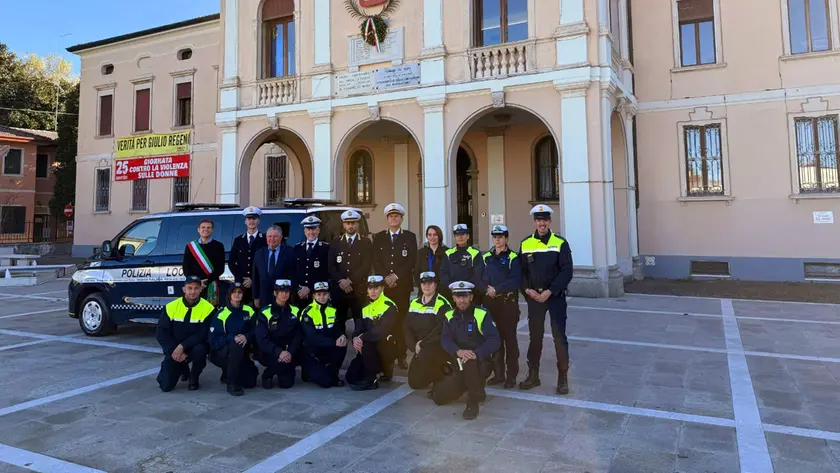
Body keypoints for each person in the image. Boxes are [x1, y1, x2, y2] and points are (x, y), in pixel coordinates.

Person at [519, 204, 574, 394]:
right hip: (534, 297)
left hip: (555, 297)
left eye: (544, 220)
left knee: (559, 336)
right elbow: (521, 272)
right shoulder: (526, 243)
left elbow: (566, 271)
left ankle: (563, 378)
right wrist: (527, 290)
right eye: (538, 220)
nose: (541, 223)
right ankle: (533, 375)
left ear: (549, 221)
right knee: (535, 337)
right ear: (534, 222)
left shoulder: (560, 243)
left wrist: (550, 291)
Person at [432, 281, 500, 420]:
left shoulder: (481, 314)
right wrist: (458, 351)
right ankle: (476, 389)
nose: (462, 300)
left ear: (471, 297)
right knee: (438, 397)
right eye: (458, 297)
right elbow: (445, 339)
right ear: (453, 298)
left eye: (465, 296)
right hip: (458, 361)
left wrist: (476, 354)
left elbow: (494, 340)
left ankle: (472, 402)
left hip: (479, 361)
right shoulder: (449, 315)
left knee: (469, 362)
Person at [372, 203, 417, 369]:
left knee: (401, 321)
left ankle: (401, 355)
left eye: (396, 216)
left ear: (401, 219)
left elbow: (412, 260)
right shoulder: (379, 237)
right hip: (385, 287)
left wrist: (396, 276)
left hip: (402, 286)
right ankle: (388, 355)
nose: (393, 218)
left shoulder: (409, 237)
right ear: (387, 219)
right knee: (386, 322)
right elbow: (376, 259)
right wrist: (386, 277)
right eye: (391, 216)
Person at [477, 224, 522, 389]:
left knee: (510, 341)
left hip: (506, 304)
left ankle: (511, 375)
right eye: (495, 237)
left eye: (500, 237)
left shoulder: (513, 258)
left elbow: (515, 280)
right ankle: (498, 374)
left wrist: (497, 289)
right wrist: (485, 289)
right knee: (494, 340)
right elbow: (477, 277)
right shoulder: (486, 257)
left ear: (506, 238)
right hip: (490, 304)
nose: (497, 239)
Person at [155, 275, 216, 392]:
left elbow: (202, 334)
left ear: (200, 289)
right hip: (174, 349)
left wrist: (182, 346)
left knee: (201, 349)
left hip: (194, 347)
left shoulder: (208, 308)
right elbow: (161, 333)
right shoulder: (171, 307)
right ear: (184, 289)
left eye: (196, 288)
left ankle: (194, 378)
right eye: (189, 288)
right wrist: (172, 350)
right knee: (165, 386)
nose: (193, 291)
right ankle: (183, 368)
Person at [345, 275, 397, 391]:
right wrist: (355, 338)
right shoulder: (365, 307)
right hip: (367, 349)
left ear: (382, 288)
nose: (373, 291)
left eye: (376, 288)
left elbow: (381, 332)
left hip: (384, 348)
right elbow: (358, 327)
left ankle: (372, 379)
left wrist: (362, 338)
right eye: (370, 288)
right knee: (351, 377)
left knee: (368, 344)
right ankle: (374, 371)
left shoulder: (389, 306)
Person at [208, 282, 258, 396]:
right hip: (223, 352)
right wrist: (232, 337)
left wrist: (246, 336)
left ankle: (229, 373)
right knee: (236, 344)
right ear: (229, 294)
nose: (237, 294)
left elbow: (256, 331)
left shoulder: (249, 311)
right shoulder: (221, 314)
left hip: (243, 352)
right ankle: (232, 384)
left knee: (250, 383)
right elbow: (214, 341)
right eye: (234, 292)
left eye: (240, 292)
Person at [404, 271, 452, 392]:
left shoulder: (443, 304)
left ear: (435, 285)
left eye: (430, 283)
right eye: (424, 283)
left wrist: (422, 344)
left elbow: (440, 330)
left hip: (435, 345)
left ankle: (441, 377)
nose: (427, 286)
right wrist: (413, 345)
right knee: (414, 383)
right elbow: (407, 326)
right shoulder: (414, 302)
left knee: (428, 356)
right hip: (419, 347)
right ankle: (431, 373)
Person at [328, 209, 372, 331]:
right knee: (339, 320)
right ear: (343, 225)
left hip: (357, 289)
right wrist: (341, 281)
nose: (350, 226)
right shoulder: (336, 242)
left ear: (357, 224)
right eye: (348, 223)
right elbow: (331, 266)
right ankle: (340, 342)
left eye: (353, 223)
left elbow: (366, 265)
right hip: (340, 288)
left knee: (359, 320)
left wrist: (350, 281)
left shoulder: (365, 242)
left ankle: (358, 342)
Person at [254, 279, 302, 389]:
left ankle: (282, 368)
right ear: (275, 293)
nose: (284, 294)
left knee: (286, 384)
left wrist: (289, 352)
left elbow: (298, 335)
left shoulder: (295, 311)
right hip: (271, 352)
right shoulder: (265, 312)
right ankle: (267, 374)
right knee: (279, 365)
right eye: (281, 291)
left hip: (289, 353)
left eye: (287, 292)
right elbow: (262, 338)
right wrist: (279, 352)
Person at [299, 281, 347, 388]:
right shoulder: (307, 312)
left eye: (324, 294)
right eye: (319, 294)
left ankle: (333, 373)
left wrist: (342, 335)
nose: (322, 297)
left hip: (328, 348)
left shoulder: (333, 310)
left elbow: (338, 328)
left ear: (328, 295)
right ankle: (309, 371)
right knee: (326, 383)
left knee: (342, 344)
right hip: (313, 352)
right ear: (314, 296)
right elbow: (312, 337)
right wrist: (334, 342)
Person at [228, 206, 267, 306]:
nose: (251, 221)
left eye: (254, 218)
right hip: (241, 286)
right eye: (249, 219)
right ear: (245, 221)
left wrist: (253, 279)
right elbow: (232, 262)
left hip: (259, 284)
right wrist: (242, 279)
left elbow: (267, 263)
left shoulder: (265, 240)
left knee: (259, 310)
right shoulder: (238, 240)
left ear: (258, 221)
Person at [183, 219, 226, 306]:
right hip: (195, 285)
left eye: (208, 227)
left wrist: (207, 281)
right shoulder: (190, 246)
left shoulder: (218, 246)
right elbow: (186, 268)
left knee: (211, 309)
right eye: (203, 227)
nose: (206, 229)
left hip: (211, 283)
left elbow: (220, 268)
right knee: (195, 307)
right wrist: (197, 281)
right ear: (198, 229)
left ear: (212, 230)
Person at [252, 225, 296, 309]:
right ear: (266, 237)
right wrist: (255, 297)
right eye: (269, 236)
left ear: (281, 238)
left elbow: (294, 275)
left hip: (283, 297)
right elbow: (255, 276)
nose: (272, 239)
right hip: (264, 297)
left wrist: (291, 295)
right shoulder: (259, 253)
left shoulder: (290, 252)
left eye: (275, 236)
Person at [294, 215, 330, 307]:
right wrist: (299, 289)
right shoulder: (297, 248)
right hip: (300, 294)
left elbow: (326, 272)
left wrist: (309, 288)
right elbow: (293, 271)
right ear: (304, 231)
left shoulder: (326, 248)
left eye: (314, 229)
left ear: (318, 230)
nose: (311, 232)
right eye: (308, 229)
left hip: (318, 294)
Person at [442, 224, 483, 303]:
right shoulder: (448, 253)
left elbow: (478, 274)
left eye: (462, 234)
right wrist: (452, 286)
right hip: (452, 293)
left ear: (468, 236)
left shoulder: (475, 253)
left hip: (470, 293)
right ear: (455, 237)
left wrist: (464, 287)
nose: (460, 237)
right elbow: (443, 273)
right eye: (457, 235)